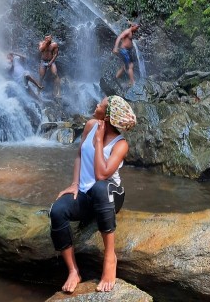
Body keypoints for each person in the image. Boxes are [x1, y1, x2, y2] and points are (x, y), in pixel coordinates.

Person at [50, 95, 136, 293]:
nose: (96, 105)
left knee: (99, 187)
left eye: (101, 105)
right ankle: (73, 271)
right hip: (85, 193)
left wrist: (99, 141)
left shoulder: (120, 144)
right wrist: (74, 183)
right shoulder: (90, 125)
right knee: (57, 211)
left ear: (106, 117)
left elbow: (101, 175)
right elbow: (80, 154)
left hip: (110, 193)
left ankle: (109, 258)